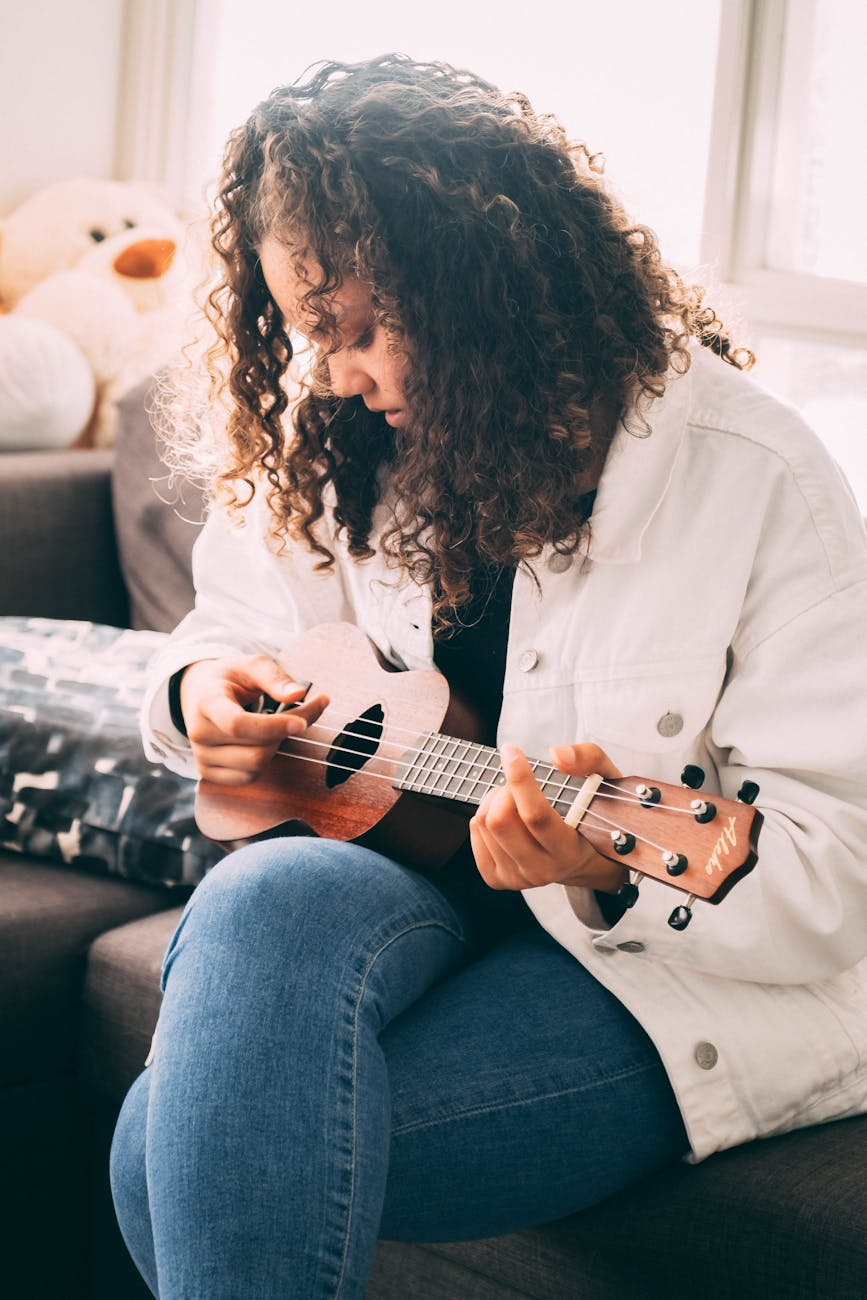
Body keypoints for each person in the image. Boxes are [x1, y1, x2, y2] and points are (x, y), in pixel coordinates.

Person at [109, 54, 867, 1300]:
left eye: (359, 328)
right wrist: (202, 699)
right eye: (311, 335)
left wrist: (601, 860)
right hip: (414, 882)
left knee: (168, 1151)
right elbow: (226, 628)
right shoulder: (339, 445)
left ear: (485, 289)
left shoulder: (751, 477)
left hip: (648, 971)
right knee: (264, 899)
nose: (335, 373)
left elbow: (836, 864)